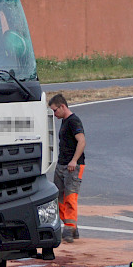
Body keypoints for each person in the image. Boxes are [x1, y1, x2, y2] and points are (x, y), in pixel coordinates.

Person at [49, 93, 86, 243]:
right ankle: (71, 226)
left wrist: (74, 161)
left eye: (55, 110)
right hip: (62, 164)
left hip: (72, 166)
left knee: (70, 197)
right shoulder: (65, 121)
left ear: (62, 106)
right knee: (59, 197)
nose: (54, 114)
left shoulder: (73, 121)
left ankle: (69, 228)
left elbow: (82, 141)